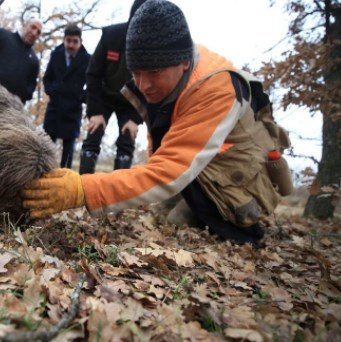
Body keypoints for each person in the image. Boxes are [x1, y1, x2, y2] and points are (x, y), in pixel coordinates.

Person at [22, 0, 293, 245]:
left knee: (176, 224)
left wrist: (84, 190)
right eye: (136, 72)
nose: (143, 85)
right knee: (161, 214)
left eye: (153, 73)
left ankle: (236, 225)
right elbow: (165, 150)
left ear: (184, 63)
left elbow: (169, 171)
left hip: (237, 184)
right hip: (202, 170)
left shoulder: (216, 89)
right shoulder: (169, 70)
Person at [78, 0, 148, 174]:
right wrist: (95, 112)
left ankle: (119, 196)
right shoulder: (111, 36)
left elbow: (151, 88)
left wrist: (136, 119)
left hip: (130, 103)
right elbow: (93, 74)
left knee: (127, 140)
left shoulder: (151, 47)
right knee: (94, 134)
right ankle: (84, 189)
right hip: (103, 97)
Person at [43, 24, 91, 168]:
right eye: (68, 40)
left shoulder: (87, 59)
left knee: (68, 151)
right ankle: (45, 173)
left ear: (80, 42)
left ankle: (64, 181)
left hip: (73, 110)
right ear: (64, 40)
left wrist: (81, 97)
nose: (71, 45)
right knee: (46, 147)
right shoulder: (56, 54)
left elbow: (93, 84)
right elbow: (47, 78)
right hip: (55, 107)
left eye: (75, 41)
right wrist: (52, 91)